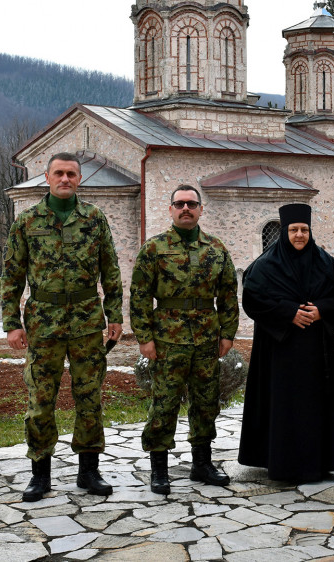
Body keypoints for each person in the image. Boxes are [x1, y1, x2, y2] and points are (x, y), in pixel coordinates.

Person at [0, 151, 123, 502]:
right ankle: (40, 473)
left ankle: (89, 471)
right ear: (47, 176)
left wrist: (115, 315)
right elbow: (11, 276)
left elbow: (111, 271)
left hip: (86, 322)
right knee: (41, 398)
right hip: (43, 324)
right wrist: (12, 323)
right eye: (59, 173)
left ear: (79, 179)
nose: (65, 179)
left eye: (71, 174)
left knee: (89, 398)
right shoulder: (27, 221)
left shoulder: (95, 219)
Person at [130, 185, 239, 495]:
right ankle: (159, 469)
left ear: (201, 209)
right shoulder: (155, 248)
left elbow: (229, 294)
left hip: (206, 339)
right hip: (167, 340)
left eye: (192, 203)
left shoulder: (216, 249)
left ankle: (202, 464)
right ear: (171, 209)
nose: (186, 208)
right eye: (179, 203)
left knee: (206, 403)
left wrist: (228, 334)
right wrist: (144, 338)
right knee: (164, 404)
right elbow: (139, 296)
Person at [238, 203, 334, 482]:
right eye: (293, 230)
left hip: (318, 353)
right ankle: (282, 464)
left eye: (304, 230)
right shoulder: (265, 265)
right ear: (284, 232)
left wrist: (321, 310)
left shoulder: (325, 263)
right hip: (280, 353)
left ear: (310, 231)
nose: (299, 235)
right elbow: (252, 299)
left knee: (316, 408)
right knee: (284, 407)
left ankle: (320, 462)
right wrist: (288, 313)